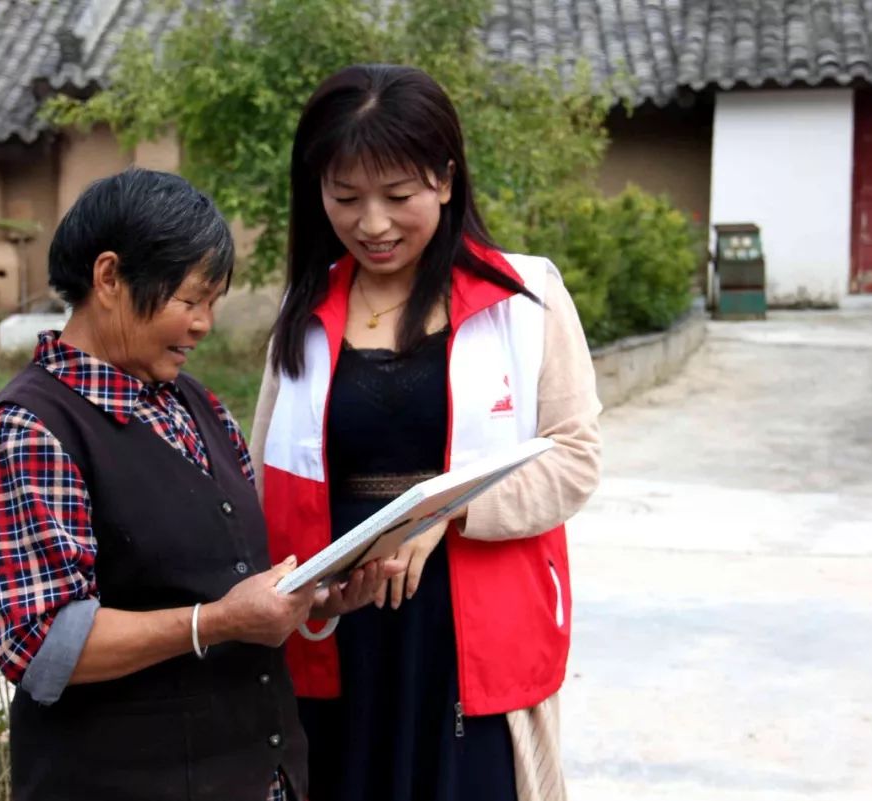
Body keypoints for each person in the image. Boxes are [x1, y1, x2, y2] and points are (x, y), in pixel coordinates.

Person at [0, 168, 393, 801]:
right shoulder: (29, 430)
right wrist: (217, 621)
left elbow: (221, 575)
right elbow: (43, 643)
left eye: (212, 304)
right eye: (189, 301)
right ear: (108, 277)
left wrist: (311, 599)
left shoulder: (198, 405)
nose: (203, 325)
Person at [249, 65, 602, 801]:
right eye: (345, 198)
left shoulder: (523, 298)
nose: (372, 223)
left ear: (444, 179)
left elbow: (573, 459)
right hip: (338, 625)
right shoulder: (306, 309)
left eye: (398, 196)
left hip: (466, 623)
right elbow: (262, 469)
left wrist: (444, 513)